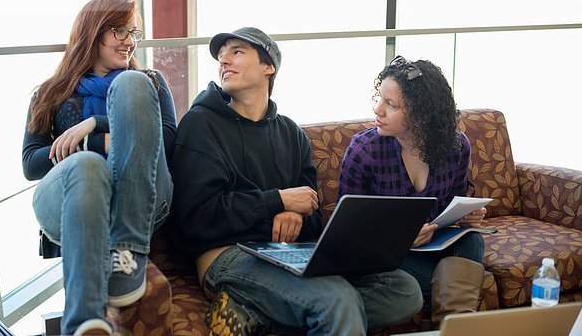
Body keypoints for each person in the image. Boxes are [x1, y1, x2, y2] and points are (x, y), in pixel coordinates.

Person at [168, 27, 423, 336]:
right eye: (221, 56)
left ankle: (257, 314)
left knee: (404, 289)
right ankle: (313, 311)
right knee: (335, 300)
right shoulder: (200, 124)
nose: (224, 60)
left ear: (268, 66)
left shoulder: (291, 133)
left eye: (236, 52)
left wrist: (296, 215)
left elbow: (313, 213)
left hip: (291, 251)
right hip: (228, 255)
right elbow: (195, 219)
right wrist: (279, 200)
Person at [22, 0, 176, 336]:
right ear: (92, 33)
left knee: (131, 84)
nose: (129, 40)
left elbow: (167, 142)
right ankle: (84, 325)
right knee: (88, 165)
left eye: (132, 31)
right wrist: (92, 145)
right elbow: (31, 163)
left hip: (144, 199)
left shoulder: (148, 82)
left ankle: (127, 250)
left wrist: (97, 123)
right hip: (73, 205)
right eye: (118, 30)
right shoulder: (50, 93)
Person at [338, 55, 486, 329]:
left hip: (436, 243)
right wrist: (398, 239)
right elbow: (345, 234)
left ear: (421, 113)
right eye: (379, 99)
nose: (378, 110)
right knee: (437, 282)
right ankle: (453, 323)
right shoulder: (364, 151)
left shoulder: (456, 146)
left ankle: (451, 327)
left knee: (472, 240)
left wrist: (466, 216)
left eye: (391, 104)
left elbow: (454, 201)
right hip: (391, 254)